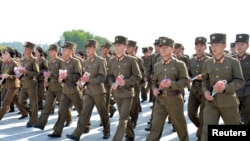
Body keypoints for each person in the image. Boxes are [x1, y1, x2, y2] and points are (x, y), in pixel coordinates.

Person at [201, 33, 245, 141]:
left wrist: (226, 87)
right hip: (211, 103)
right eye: (212, 45)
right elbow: (205, 80)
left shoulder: (233, 62)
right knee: (206, 132)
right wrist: (206, 92)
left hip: (229, 103)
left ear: (224, 46)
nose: (213, 47)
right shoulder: (207, 63)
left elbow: (240, 81)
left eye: (217, 45)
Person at [66, 39, 110, 141]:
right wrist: (82, 82)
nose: (87, 50)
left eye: (89, 48)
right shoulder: (85, 62)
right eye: (86, 48)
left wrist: (89, 79)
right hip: (89, 91)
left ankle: (106, 131)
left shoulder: (101, 61)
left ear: (94, 48)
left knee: (103, 112)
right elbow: (84, 76)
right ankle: (77, 134)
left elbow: (103, 77)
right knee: (84, 113)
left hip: (99, 91)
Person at [146, 37, 189, 141]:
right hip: (160, 100)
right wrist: (154, 89)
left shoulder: (179, 64)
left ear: (172, 49)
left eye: (166, 47)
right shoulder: (157, 65)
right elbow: (154, 82)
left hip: (174, 100)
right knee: (155, 127)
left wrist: (172, 84)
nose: (163, 49)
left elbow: (185, 81)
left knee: (180, 127)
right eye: (161, 47)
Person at [107, 35, 142, 141]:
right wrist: (112, 83)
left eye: (119, 45)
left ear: (125, 47)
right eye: (116, 45)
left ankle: (117, 138)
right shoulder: (112, 61)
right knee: (125, 116)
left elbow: (138, 76)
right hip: (117, 93)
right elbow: (109, 76)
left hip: (127, 93)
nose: (116, 47)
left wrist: (125, 82)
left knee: (122, 118)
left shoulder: (131, 60)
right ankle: (130, 135)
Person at [48, 41, 83, 138]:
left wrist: (67, 76)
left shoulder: (76, 61)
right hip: (65, 90)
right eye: (63, 49)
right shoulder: (63, 63)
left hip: (74, 90)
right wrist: (61, 79)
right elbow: (62, 75)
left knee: (81, 110)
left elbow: (78, 75)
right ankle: (57, 131)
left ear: (71, 51)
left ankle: (86, 125)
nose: (63, 51)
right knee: (61, 111)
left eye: (66, 49)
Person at [33, 44, 64, 130]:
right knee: (46, 106)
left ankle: (68, 119)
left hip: (59, 87)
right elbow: (48, 72)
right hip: (51, 87)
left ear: (56, 51)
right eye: (49, 51)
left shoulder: (61, 62)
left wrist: (52, 75)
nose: (50, 52)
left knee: (62, 106)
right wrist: (46, 78)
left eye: (52, 51)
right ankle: (41, 123)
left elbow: (62, 74)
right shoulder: (50, 62)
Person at [188, 37, 211, 140]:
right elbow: (188, 73)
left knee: (203, 115)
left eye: (201, 46)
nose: (199, 48)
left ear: (205, 47)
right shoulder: (191, 60)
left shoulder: (210, 60)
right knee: (191, 113)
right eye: (197, 46)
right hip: (193, 89)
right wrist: (187, 77)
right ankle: (202, 128)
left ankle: (201, 134)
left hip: (204, 89)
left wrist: (205, 77)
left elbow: (213, 75)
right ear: (194, 47)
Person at [0, 47, 28, 120]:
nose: (3, 55)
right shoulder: (4, 63)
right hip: (7, 85)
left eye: (5, 53)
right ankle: (25, 112)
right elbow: (4, 73)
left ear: (10, 55)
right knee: (16, 100)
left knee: (5, 101)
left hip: (14, 85)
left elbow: (19, 75)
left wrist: (9, 76)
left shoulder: (15, 63)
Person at [18, 41, 40, 127]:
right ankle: (32, 114)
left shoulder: (34, 60)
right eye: (25, 48)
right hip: (24, 83)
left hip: (31, 83)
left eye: (27, 48)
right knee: (21, 101)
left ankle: (33, 120)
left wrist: (26, 72)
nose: (25, 49)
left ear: (31, 49)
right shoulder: (23, 59)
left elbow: (37, 73)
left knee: (33, 103)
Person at [126, 40, 145, 128]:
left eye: (129, 47)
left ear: (133, 48)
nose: (127, 48)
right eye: (127, 46)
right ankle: (128, 119)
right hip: (125, 84)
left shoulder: (138, 59)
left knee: (134, 103)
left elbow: (141, 71)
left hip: (135, 84)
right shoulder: (124, 58)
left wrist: (142, 82)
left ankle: (134, 120)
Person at [235, 33, 250, 125]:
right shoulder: (231, 60)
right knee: (233, 117)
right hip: (234, 92)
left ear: (247, 46)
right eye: (238, 44)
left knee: (248, 117)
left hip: (248, 93)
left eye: (242, 44)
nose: (239, 46)